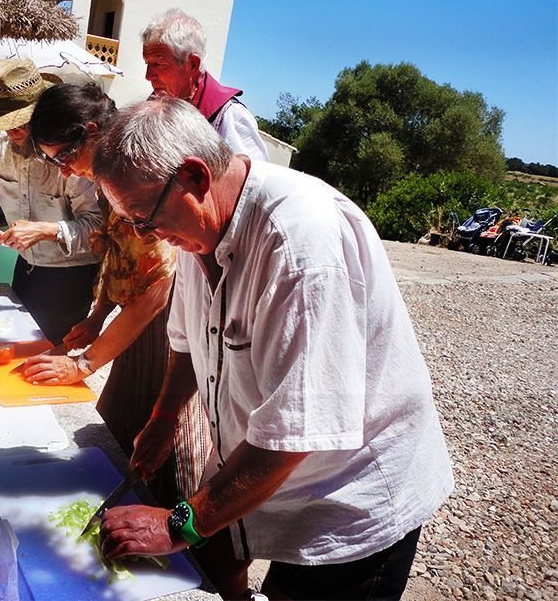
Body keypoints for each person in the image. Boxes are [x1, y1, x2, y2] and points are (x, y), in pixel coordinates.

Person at [94, 98, 454, 601]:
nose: (145, 236)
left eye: (143, 218)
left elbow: (297, 428)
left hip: (350, 501)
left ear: (195, 178)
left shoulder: (301, 244)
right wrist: (166, 415)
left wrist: (179, 524)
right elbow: (186, 339)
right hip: (285, 480)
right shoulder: (199, 231)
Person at [26, 82, 211, 506]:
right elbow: (118, 258)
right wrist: (96, 316)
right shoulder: (108, 178)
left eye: (66, 157)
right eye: (54, 161)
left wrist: (84, 364)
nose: (65, 171)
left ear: (92, 131)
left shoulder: (138, 171)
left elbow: (158, 290)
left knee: (169, 463)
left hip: (168, 333)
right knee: (116, 442)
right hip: (136, 326)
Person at [0, 59, 102, 345]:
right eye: (6, 125)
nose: (13, 132)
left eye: (20, 123)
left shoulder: (69, 154)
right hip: (25, 267)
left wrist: (45, 230)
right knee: (12, 344)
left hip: (70, 277)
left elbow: (98, 228)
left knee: (47, 354)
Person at [141, 8, 271, 162]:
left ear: (192, 64)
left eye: (159, 64)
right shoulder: (156, 103)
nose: (148, 76)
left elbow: (252, 183)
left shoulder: (229, 118)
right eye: (147, 63)